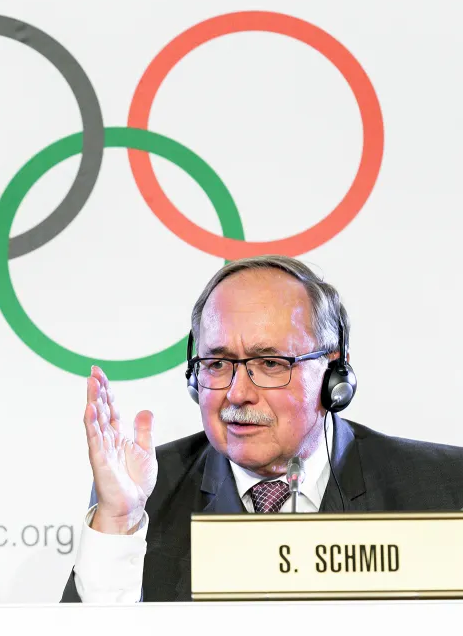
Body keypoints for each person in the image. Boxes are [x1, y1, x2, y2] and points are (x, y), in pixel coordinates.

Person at [61, 255, 463, 603]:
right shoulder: (145, 494)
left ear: (334, 374)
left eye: (270, 364)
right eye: (217, 364)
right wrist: (118, 522)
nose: (237, 394)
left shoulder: (443, 488)